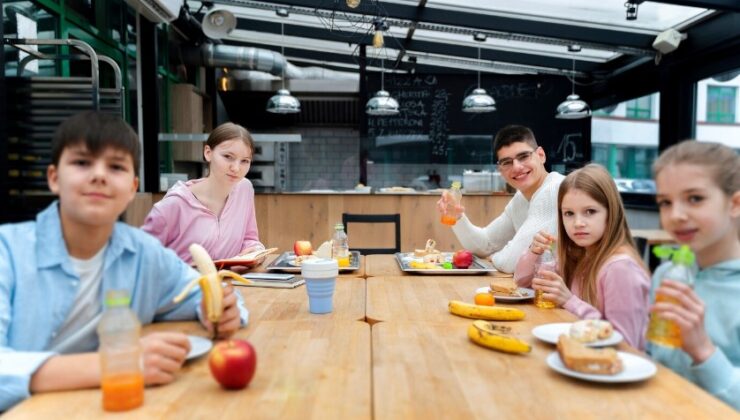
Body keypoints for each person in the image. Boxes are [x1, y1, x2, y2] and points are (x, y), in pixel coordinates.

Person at [0, 112, 247, 411]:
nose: (99, 175)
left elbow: (199, 292)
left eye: (115, 166)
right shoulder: (8, 252)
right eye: (82, 163)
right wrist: (121, 363)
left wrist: (217, 310)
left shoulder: (144, 254)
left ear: (132, 187)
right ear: (54, 178)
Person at [514, 164, 650, 350]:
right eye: (569, 213)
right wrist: (533, 251)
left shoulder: (621, 269)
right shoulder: (579, 254)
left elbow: (625, 344)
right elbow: (522, 281)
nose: (578, 223)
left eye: (590, 212)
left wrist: (570, 301)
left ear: (611, 212)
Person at [648, 141, 740, 410]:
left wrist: (703, 351)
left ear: (735, 203)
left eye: (695, 199)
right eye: (665, 202)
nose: (676, 215)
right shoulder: (667, 274)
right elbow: (657, 358)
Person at [437, 125, 565, 273]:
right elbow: (485, 245)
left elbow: (512, 263)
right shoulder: (521, 198)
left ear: (541, 155)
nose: (517, 167)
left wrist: (496, 256)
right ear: (500, 170)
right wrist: (457, 217)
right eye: (507, 162)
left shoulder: (554, 189)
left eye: (524, 156)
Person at [142, 122, 264, 265]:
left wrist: (256, 251)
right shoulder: (174, 204)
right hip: (184, 286)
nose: (236, 168)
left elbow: (249, 239)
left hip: (228, 285)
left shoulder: (244, 189)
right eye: (228, 156)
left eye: (244, 161)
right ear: (208, 153)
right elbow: (141, 259)